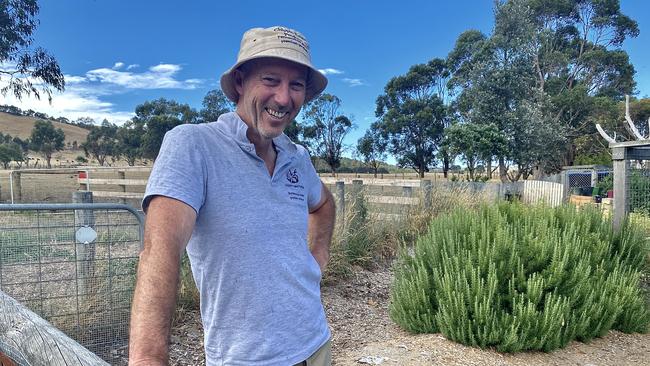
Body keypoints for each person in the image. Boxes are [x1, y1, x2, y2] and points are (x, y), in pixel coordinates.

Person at [128, 26, 336, 366]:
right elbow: (159, 251)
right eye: (271, 80)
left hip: (315, 344)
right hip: (246, 359)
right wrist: (148, 358)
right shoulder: (193, 146)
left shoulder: (297, 156)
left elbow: (324, 204)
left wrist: (317, 258)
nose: (284, 98)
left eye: (296, 85)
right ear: (240, 81)